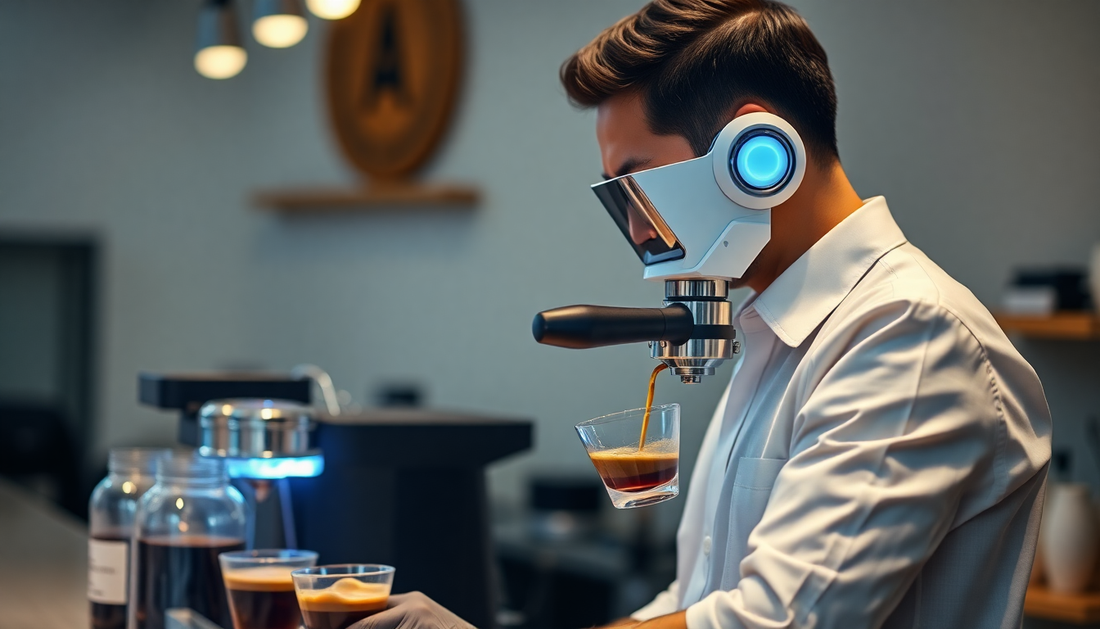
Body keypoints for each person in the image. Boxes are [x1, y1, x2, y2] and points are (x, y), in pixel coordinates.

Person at [359, 1, 1052, 628]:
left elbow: (774, 621)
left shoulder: (909, 334)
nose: (635, 230)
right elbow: (695, 600)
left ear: (757, 156)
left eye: (637, 184)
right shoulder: (774, 337)